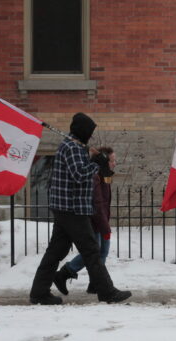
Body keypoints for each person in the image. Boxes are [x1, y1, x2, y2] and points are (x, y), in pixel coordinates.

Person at [29, 113, 132, 305]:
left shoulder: (74, 146)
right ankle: (106, 291)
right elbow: (79, 175)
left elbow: (80, 170)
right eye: (90, 132)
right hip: (73, 208)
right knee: (92, 251)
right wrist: (96, 163)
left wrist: (93, 158)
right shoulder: (72, 147)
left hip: (66, 208)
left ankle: (39, 292)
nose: (91, 136)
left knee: (56, 252)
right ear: (83, 131)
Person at [53, 146, 116, 296]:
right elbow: (98, 205)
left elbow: (104, 204)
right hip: (93, 222)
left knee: (102, 251)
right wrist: (105, 229)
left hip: (100, 221)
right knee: (95, 252)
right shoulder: (95, 177)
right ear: (104, 161)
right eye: (112, 160)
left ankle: (94, 283)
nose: (115, 163)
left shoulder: (104, 176)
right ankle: (65, 273)